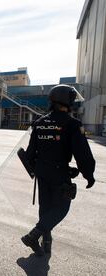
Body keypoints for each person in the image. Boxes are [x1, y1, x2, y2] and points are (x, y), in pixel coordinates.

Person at [21, 85, 96, 256]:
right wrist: (88, 174)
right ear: (67, 101)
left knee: (45, 209)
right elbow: (82, 153)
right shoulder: (72, 124)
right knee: (62, 208)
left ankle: (46, 244)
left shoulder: (39, 123)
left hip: (42, 174)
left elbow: (30, 153)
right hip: (59, 174)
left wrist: (39, 169)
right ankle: (34, 236)